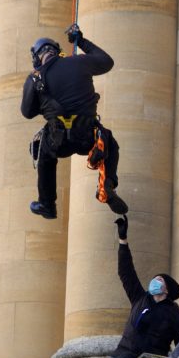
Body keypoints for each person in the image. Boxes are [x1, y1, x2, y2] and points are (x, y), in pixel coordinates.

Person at [21, 27, 128, 219]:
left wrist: (42, 99)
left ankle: (47, 204)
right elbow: (107, 62)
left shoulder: (36, 78)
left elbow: (27, 112)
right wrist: (81, 42)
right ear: (57, 52)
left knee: (44, 153)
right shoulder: (79, 63)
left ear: (37, 58)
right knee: (110, 141)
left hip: (57, 141)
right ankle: (106, 186)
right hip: (87, 136)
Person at [109, 215, 179, 358]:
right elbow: (126, 272)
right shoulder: (140, 298)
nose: (154, 281)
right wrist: (123, 240)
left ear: (167, 289)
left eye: (159, 280)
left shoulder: (174, 313)